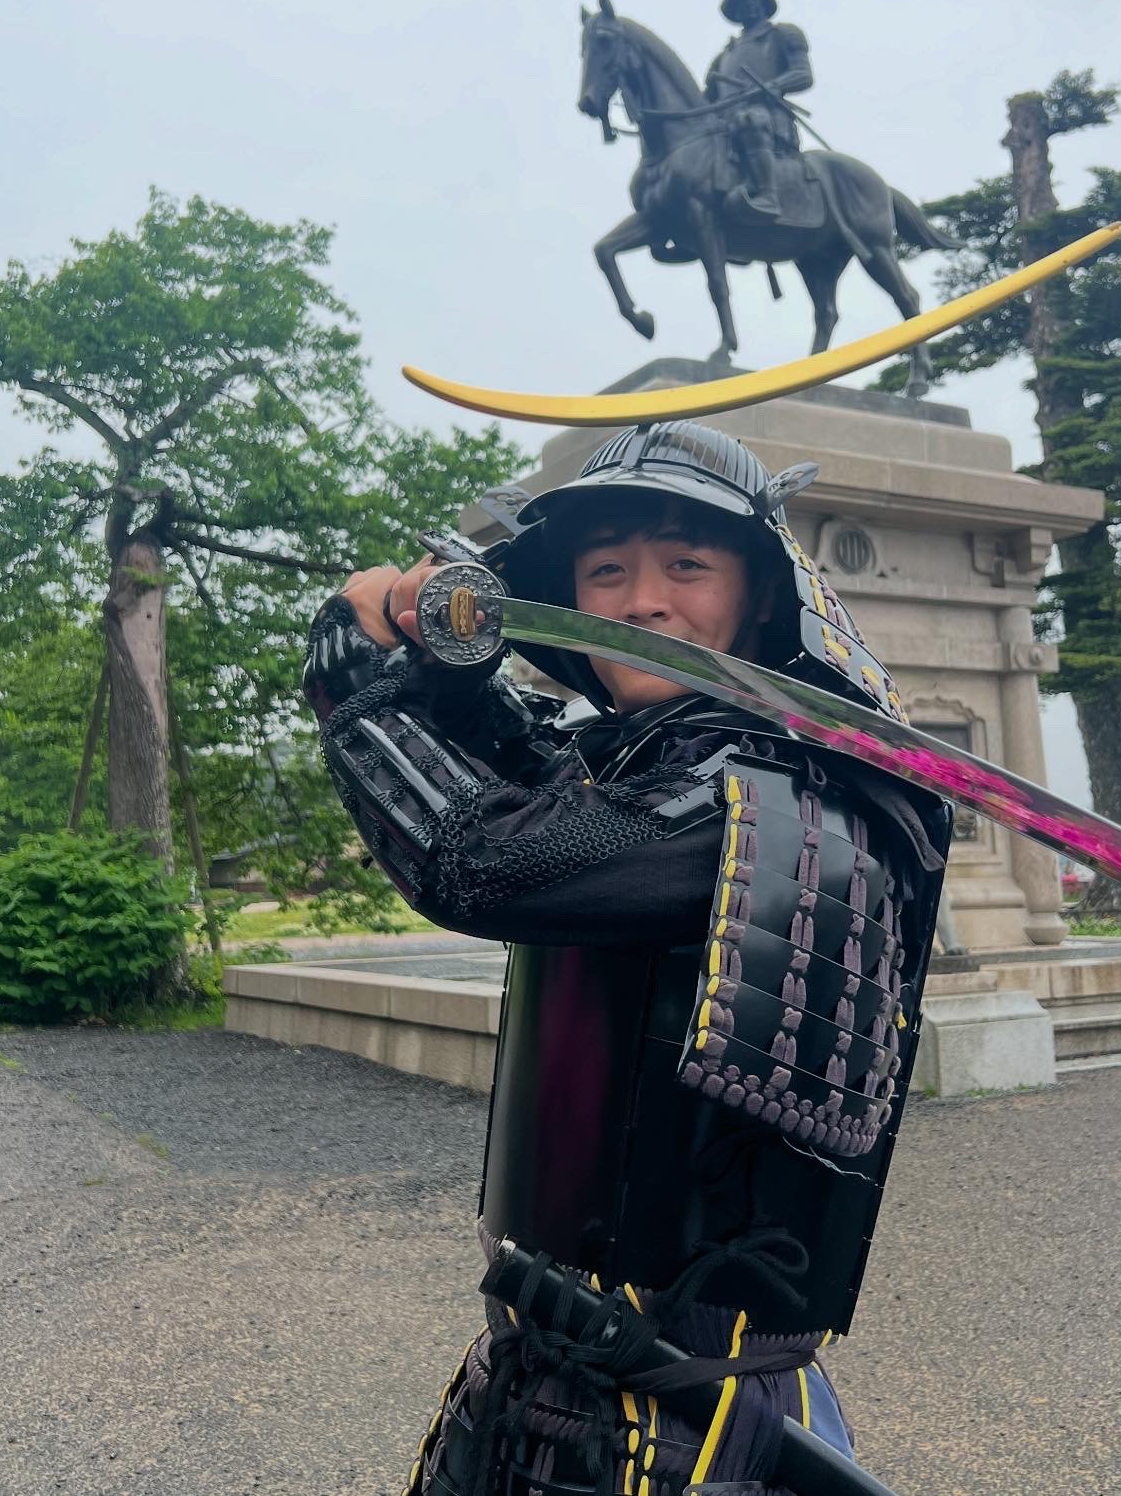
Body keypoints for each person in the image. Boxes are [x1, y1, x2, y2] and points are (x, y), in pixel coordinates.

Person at [302, 420, 948, 1496]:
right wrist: (446, 672)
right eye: (605, 569)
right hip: (537, 1353)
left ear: (760, 594)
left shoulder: (791, 790)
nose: (641, 600)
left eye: (686, 563)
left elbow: (492, 861)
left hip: (680, 1406)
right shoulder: (641, 765)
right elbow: (540, 779)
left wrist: (362, 688)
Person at [703, 0, 813, 220]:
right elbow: (707, 98)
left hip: (768, 119)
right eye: (741, 1)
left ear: (763, 0)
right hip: (725, 125)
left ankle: (768, 195)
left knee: (750, 119)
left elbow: (803, 75)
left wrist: (771, 87)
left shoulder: (783, 34)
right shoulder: (724, 55)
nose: (748, 5)